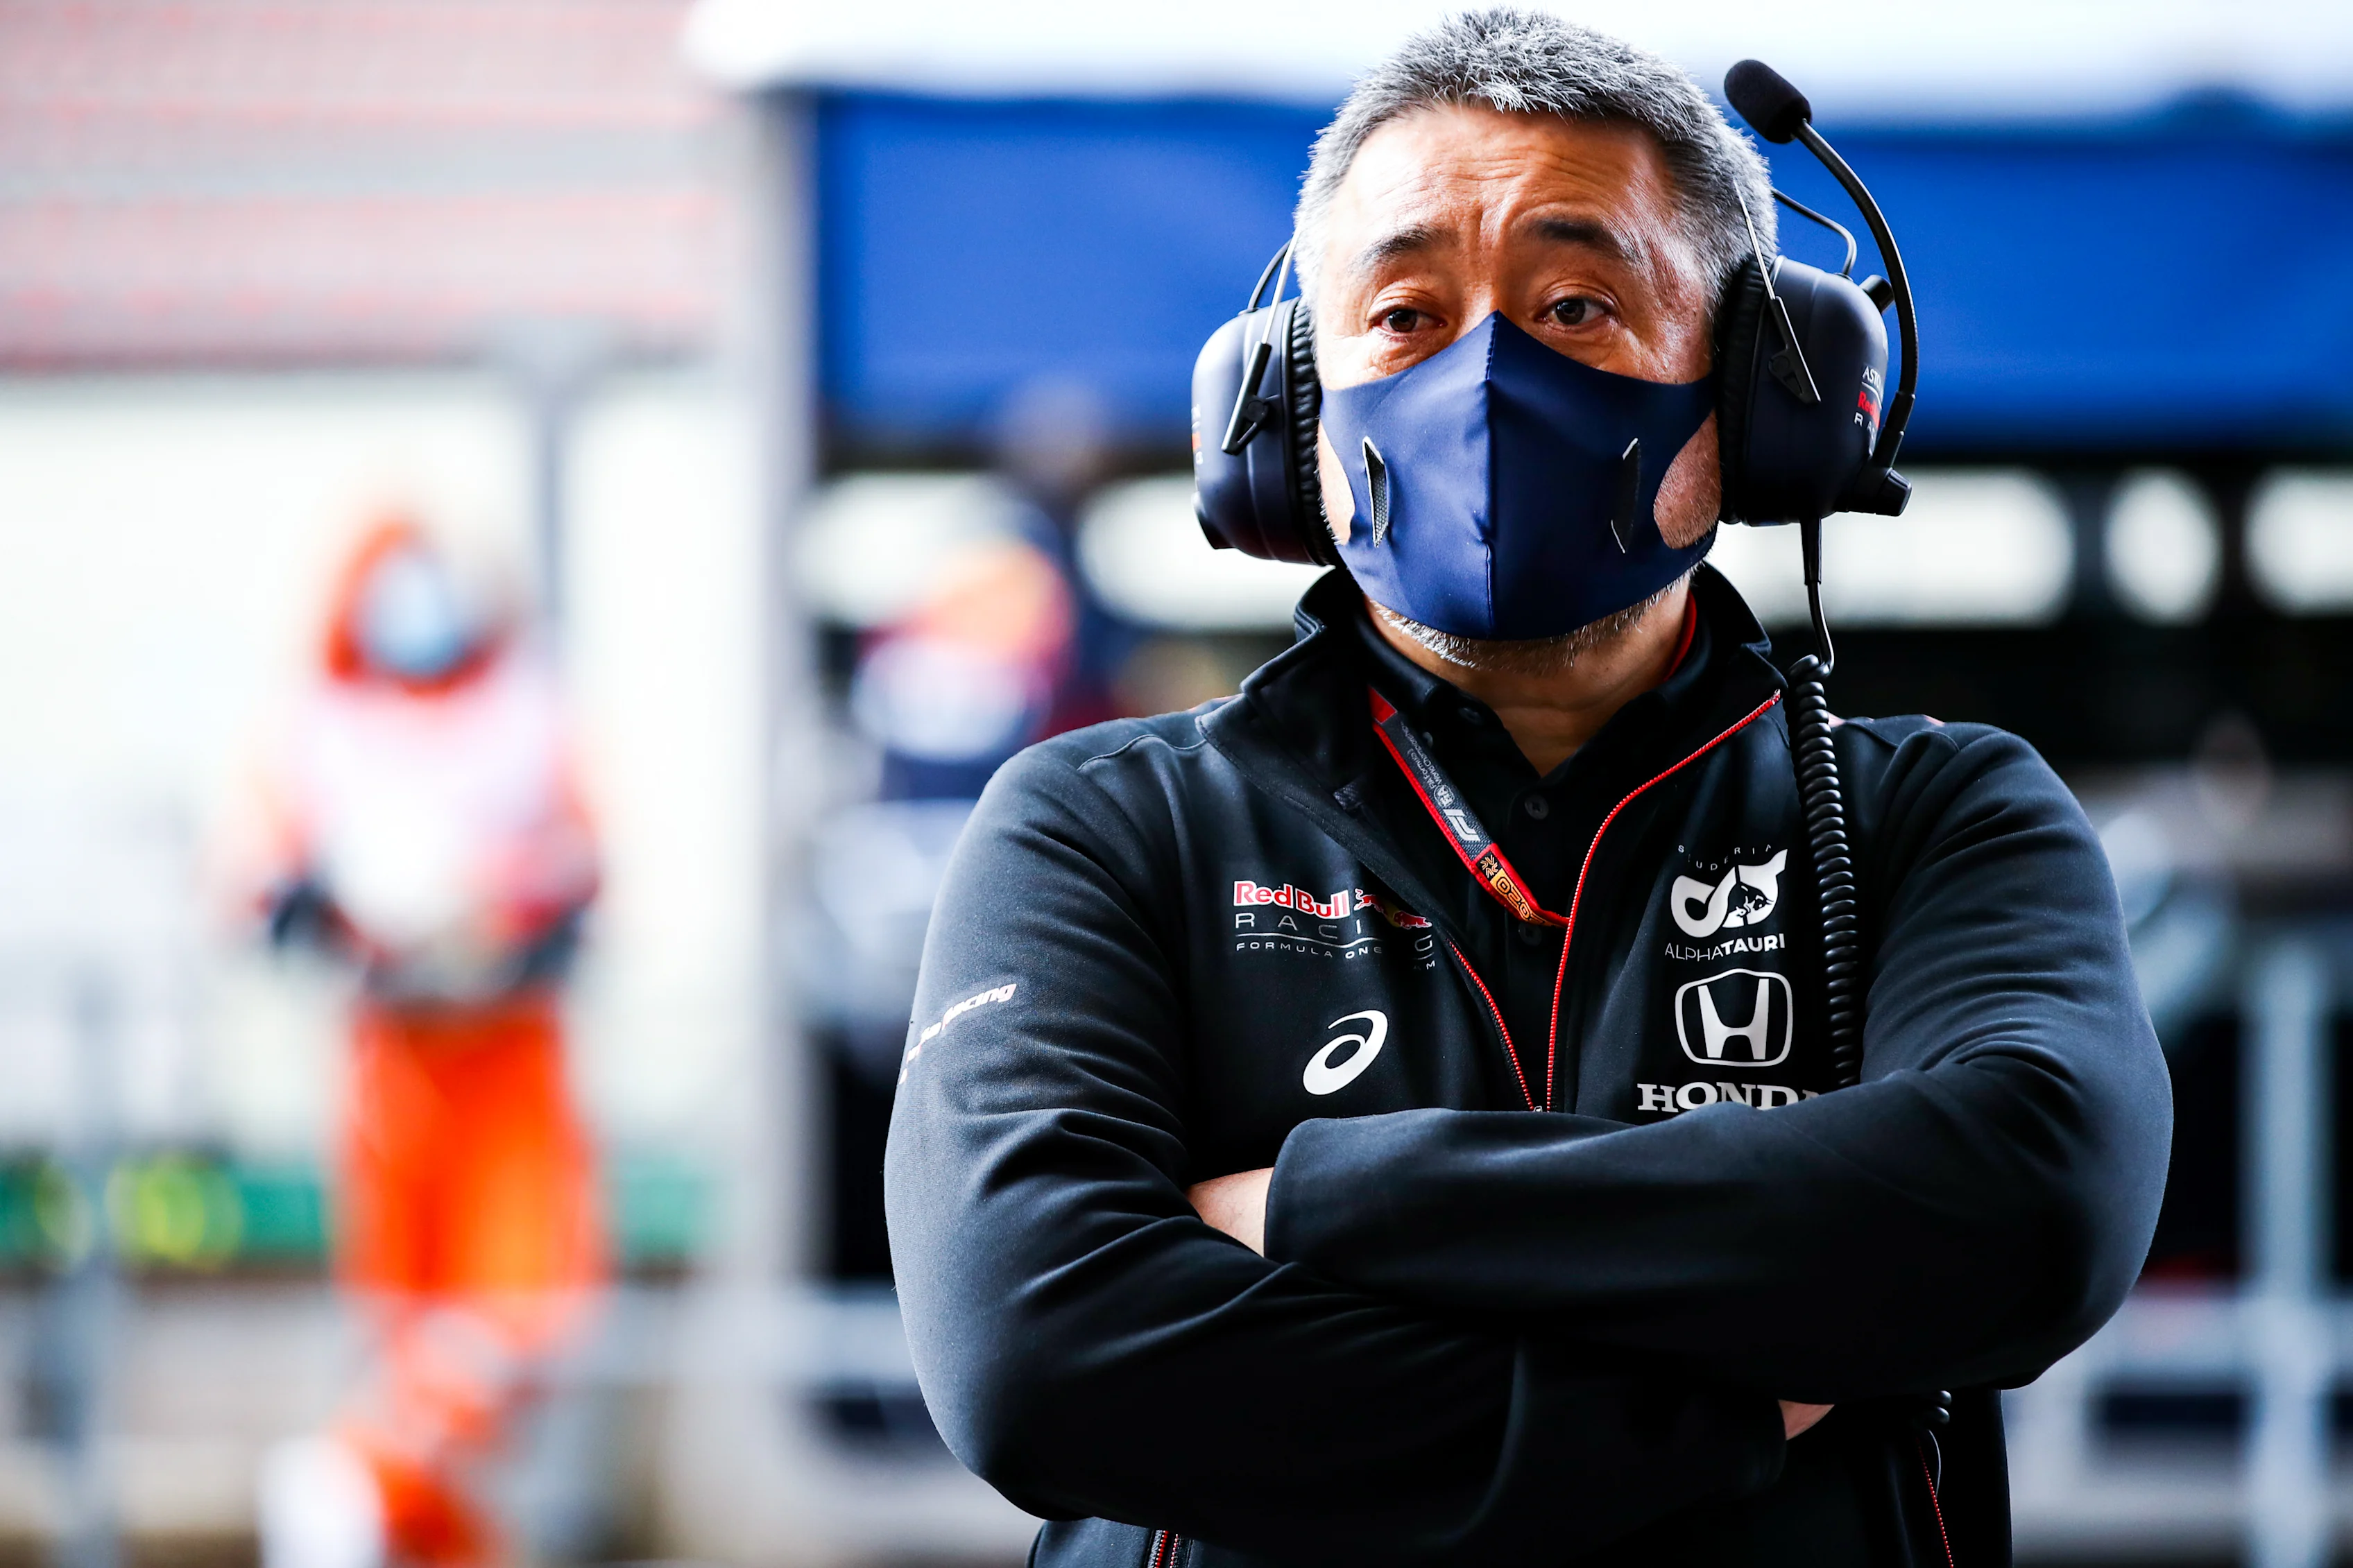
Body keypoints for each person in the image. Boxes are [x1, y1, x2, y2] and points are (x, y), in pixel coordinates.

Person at [883, 12, 2172, 1567]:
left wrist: (1314, 1203)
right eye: (1403, 314)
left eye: (1575, 305)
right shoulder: (1103, 823)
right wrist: (1703, 1415)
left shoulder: (1936, 816)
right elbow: (1039, 1349)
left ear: (1758, 390)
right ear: (1289, 407)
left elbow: (2029, 1205)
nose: (1484, 381)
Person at [241, 519, 603, 1568]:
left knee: (515, 1321)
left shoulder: (528, 716)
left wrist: (498, 915)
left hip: (509, 1057)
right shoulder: (326, 726)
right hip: (390, 1063)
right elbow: (261, 882)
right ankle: (368, 1495)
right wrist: (333, 905)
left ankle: (351, 1476)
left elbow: (585, 867)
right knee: (405, 1329)